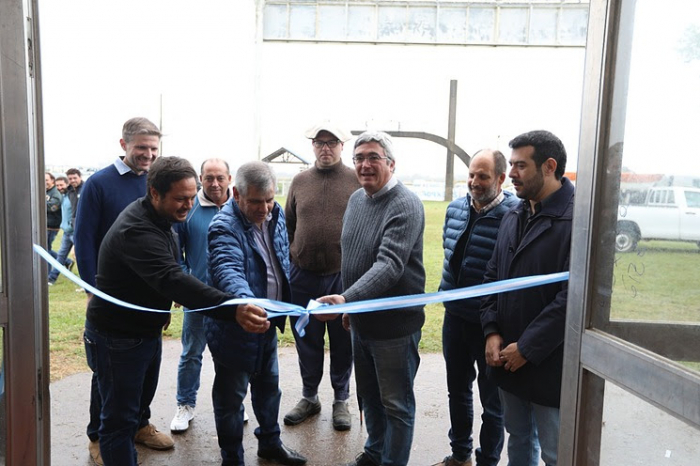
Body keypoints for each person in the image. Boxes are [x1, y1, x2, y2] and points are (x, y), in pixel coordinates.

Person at [84, 156, 254, 466]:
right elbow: (172, 280)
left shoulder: (163, 218)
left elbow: (169, 274)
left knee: (136, 401)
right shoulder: (136, 230)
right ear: (154, 193)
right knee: (117, 419)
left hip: (145, 330)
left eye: (192, 197)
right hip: (117, 337)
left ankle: (141, 426)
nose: (188, 205)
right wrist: (233, 308)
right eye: (180, 198)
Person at [317, 131, 426, 466]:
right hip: (361, 322)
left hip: (394, 327)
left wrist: (347, 298)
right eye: (359, 158)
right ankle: (374, 453)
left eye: (373, 157)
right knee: (369, 398)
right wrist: (352, 307)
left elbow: (389, 265)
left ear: (391, 164)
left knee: (396, 405)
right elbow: (352, 258)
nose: (364, 165)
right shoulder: (356, 199)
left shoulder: (405, 204)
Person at [74, 117, 166, 465]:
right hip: (111, 296)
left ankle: (140, 424)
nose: (148, 154)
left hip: (149, 296)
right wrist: (92, 289)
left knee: (149, 364)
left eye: (154, 149)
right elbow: (84, 239)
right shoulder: (99, 184)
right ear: (123, 144)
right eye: (141, 147)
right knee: (110, 372)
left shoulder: (155, 182)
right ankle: (98, 434)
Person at [481, 130, 574, 466]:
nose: (513, 173)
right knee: (518, 439)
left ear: (549, 166)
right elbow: (492, 278)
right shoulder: (514, 214)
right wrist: (491, 330)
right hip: (507, 357)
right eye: (512, 165)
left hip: (549, 363)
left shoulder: (577, 221)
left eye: (521, 166)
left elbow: (571, 300)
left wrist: (528, 348)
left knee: (554, 451)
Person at [206, 161, 307, 466]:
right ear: (236, 194)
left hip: (266, 325)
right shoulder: (223, 226)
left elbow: (281, 262)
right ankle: (233, 458)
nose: (264, 209)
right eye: (254, 202)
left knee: (268, 389)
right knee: (231, 400)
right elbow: (227, 268)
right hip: (236, 329)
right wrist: (245, 304)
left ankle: (270, 444)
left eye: (269, 200)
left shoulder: (276, 215)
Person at [433, 150, 518, 466]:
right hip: (454, 318)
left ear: (500, 179)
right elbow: (448, 252)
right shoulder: (455, 209)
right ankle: (459, 454)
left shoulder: (514, 215)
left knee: (492, 401)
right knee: (457, 391)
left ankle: (488, 460)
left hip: (491, 326)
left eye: (482, 176)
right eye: (471, 174)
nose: (474, 182)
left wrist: (494, 325)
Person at [283, 121, 359, 431]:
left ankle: (341, 400)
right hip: (303, 277)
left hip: (342, 276)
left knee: (343, 340)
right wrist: (295, 256)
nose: (325, 147)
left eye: (331, 142)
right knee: (307, 339)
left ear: (343, 146)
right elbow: (288, 224)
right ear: (313, 146)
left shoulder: (356, 181)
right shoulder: (300, 181)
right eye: (319, 142)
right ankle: (309, 397)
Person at [170, 158, 233, 432]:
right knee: (192, 353)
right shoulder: (189, 208)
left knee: (230, 354)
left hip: (232, 297)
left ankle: (232, 403)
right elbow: (176, 251)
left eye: (220, 177)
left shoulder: (239, 206)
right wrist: (184, 284)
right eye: (209, 178)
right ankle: (185, 404)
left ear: (230, 178)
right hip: (197, 297)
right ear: (200, 179)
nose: (215, 184)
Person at [48, 169, 84, 285]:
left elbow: (78, 212)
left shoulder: (78, 193)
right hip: (66, 232)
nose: (59, 187)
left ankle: (86, 282)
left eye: (61, 185)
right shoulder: (67, 194)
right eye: (57, 185)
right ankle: (51, 279)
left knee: (81, 257)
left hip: (76, 232)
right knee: (60, 256)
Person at [45, 172, 62, 260]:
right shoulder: (46, 192)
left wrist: (38, 203)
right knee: (46, 250)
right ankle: (66, 261)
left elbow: (52, 208)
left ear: (52, 181)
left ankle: (47, 272)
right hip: (46, 226)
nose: (45, 182)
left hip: (52, 227)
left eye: (47, 180)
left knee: (46, 251)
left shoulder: (55, 193)